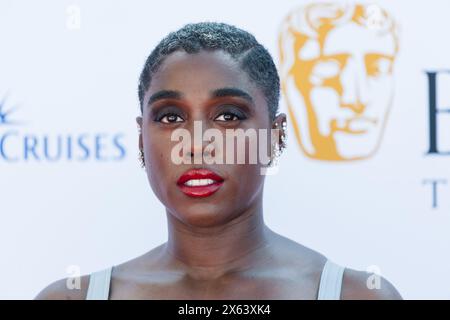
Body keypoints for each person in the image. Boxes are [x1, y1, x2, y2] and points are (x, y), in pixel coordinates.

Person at [36, 22, 401, 300]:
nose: (195, 143)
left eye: (227, 116)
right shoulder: (71, 297)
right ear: (141, 139)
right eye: (170, 117)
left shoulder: (356, 294)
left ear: (275, 137)